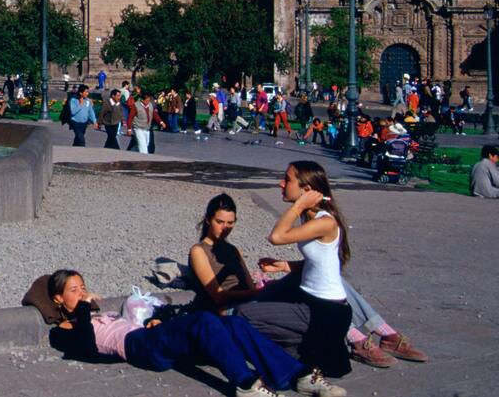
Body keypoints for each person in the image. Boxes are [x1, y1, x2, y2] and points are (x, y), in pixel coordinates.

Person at [189, 193, 427, 372]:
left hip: (250, 299)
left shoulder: (232, 249)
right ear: (208, 220)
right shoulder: (199, 251)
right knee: (311, 284)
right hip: (229, 309)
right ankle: (357, 338)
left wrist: (276, 272)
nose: (226, 228)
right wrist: (260, 291)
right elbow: (218, 296)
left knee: (326, 277)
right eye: (220, 222)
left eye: (231, 223)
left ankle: (385, 333)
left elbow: (251, 287)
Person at [33, 269, 306, 397]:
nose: (82, 293)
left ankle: (293, 375)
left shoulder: (94, 315)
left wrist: (151, 321)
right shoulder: (63, 331)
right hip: (137, 347)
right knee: (204, 321)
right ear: (58, 299)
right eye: (73, 290)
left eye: (82, 287)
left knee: (233, 325)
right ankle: (246, 384)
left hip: (149, 338)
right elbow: (86, 348)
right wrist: (82, 308)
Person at [235, 162, 353, 389]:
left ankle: (293, 365)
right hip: (312, 301)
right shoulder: (312, 217)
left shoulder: (325, 221)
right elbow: (319, 260)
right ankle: (300, 362)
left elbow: (277, 237)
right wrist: (285, 265)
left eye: (287, 180)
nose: (281, 183)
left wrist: (298, 206)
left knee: (243, 315)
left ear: (306, 190)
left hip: (325, 312)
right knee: (259, 303)